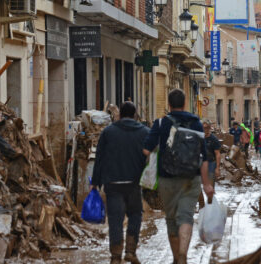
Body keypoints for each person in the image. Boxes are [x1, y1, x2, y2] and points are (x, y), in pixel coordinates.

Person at [143, 89, 214, 264]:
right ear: (184, 104)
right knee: (186, 216)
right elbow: (203, 157)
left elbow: (147, 149)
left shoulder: (161, 124)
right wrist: (207, 184)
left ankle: (176, 258)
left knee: (171, 219)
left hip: (167, 178)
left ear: (169, 104)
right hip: (192, 177)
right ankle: (183, 253)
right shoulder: (196, 123)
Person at [91, 101, 150, 264]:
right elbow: (152, 157)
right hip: (134, 183)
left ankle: (116, 256)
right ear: (134, 115)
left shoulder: (108, 132)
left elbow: (99, 158)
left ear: (120, 114)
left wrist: (95, 181)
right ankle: (130, 251)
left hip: (113, 183)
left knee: (115, 220)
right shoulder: (145, 132)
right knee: (135, 216)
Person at [203, 120, 221, 186]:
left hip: (211, 163)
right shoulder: (199, 138)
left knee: (210, 184)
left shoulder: (213, 139)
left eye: (207, 127)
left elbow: (217, 154)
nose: (205, 129)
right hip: (201, 163)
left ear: (210, 128)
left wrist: (217, 168)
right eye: (203, 128)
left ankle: (211, 196)